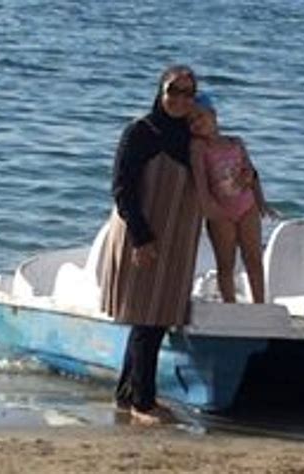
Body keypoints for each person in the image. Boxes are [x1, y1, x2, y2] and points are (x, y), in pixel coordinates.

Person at [100, 65, 201, 425]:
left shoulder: (192, 138)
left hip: (177, 238)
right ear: (160, 91)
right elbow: (122, 188)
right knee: (147, 318)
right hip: (141, 234)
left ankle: (128, 395)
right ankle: (143, 403)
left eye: (188, 93)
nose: (180, 99)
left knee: (156, 318)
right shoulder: (140, 132)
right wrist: (141, 237)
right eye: (174, 90)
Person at [189, 94, 274, 304]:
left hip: (247, 206)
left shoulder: (235, 142)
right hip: (220, 212)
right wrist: (208, 207)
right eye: (190, 121)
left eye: (200, 116)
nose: (196, 123)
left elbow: (252, 173)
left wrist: (261, 201)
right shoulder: (198, 147)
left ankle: (260, 304)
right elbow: (200, 180)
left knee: (253, 259)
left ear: (213, 115)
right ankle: (230, 304)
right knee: (226, 264)